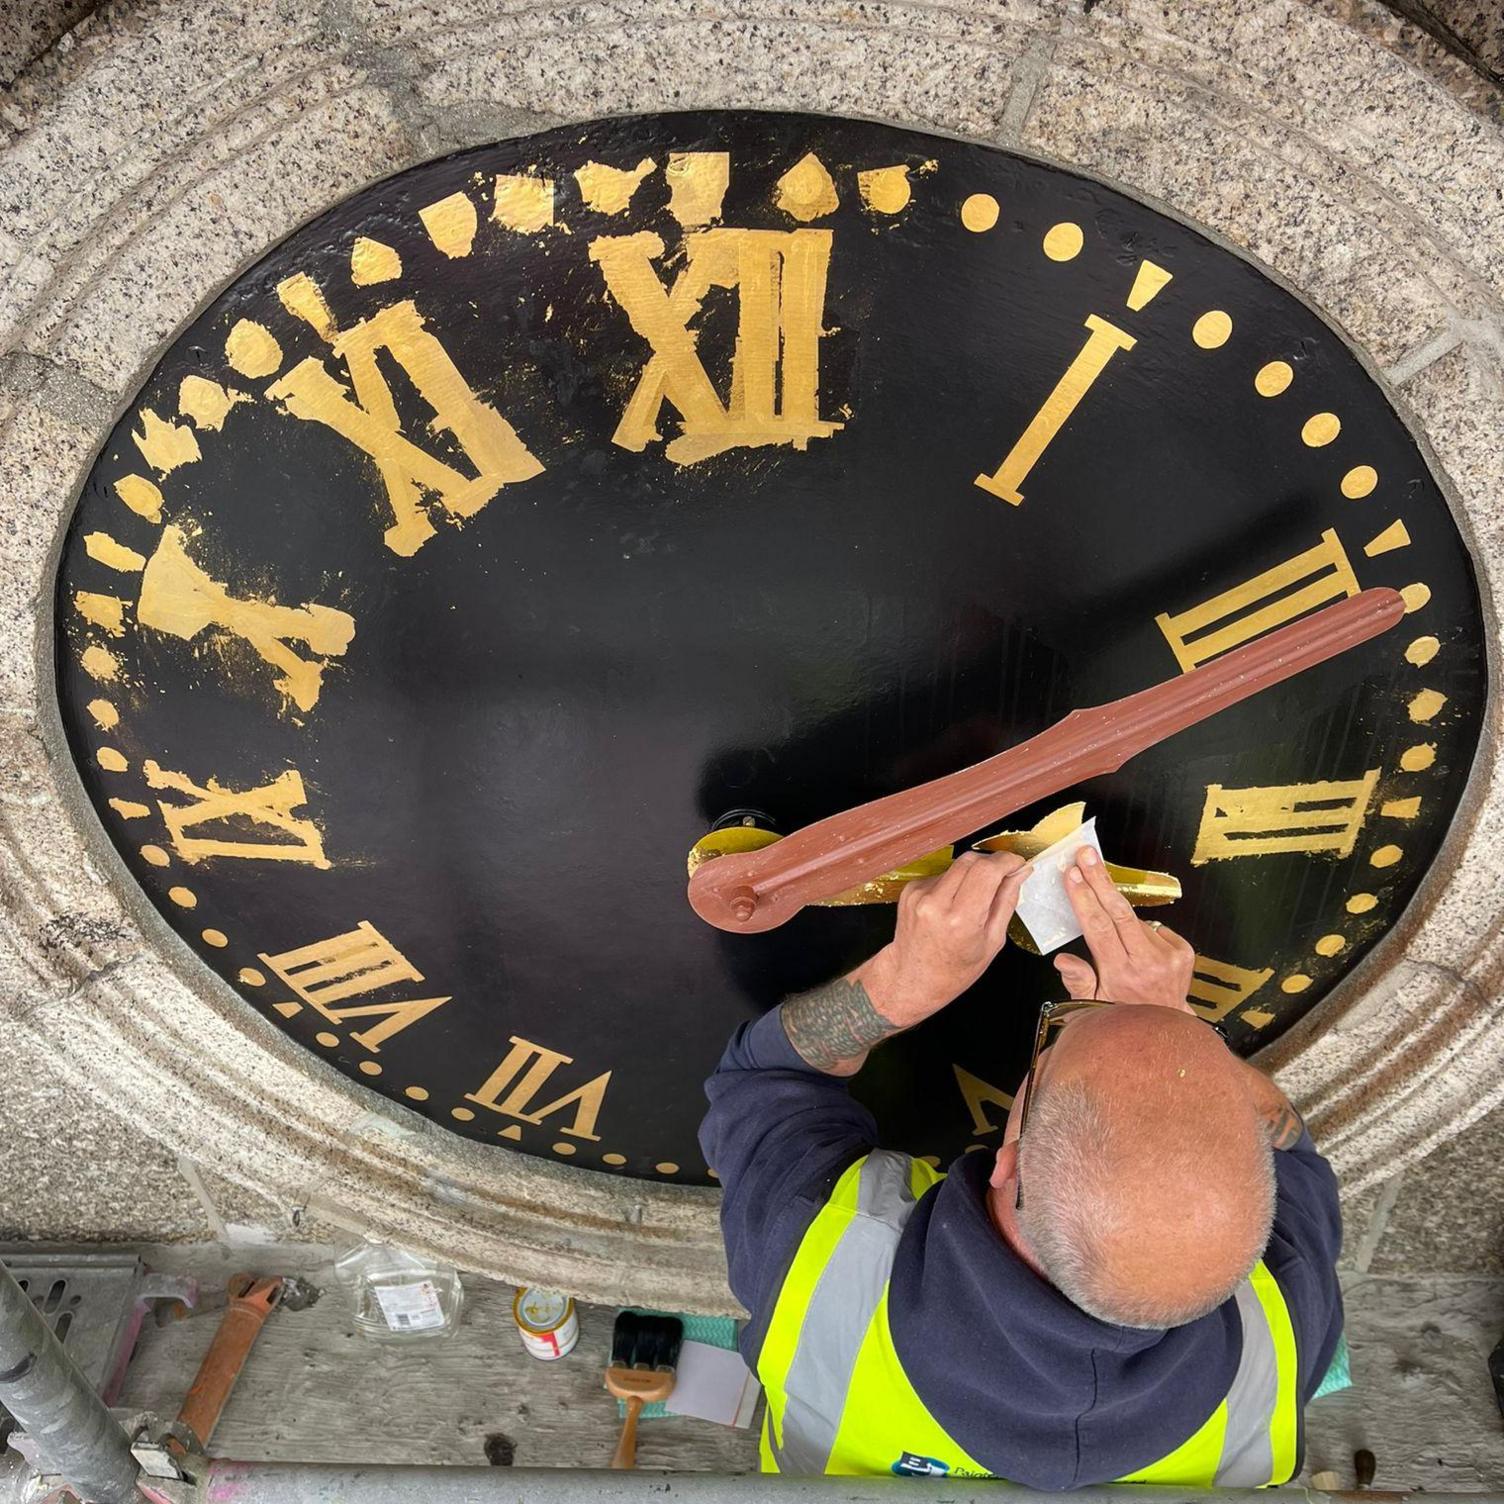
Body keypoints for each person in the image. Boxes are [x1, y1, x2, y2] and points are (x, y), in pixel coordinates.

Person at [699, 847, 1344, 1487]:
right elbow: (1295, 1156)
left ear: (1010, 1162)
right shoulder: (1280, 1339)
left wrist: (899, 982)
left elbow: (763, 1080)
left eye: (1058, 1043)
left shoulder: (818, 1269)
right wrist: (1167, 1026)